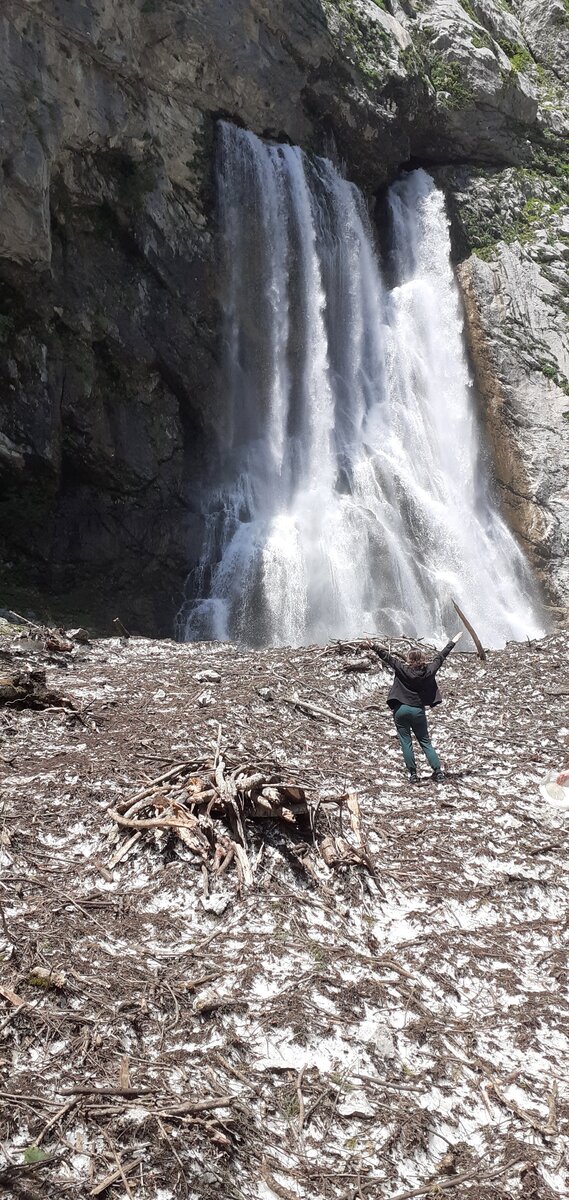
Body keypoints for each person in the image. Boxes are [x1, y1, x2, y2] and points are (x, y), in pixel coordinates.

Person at [369, 633, 462, 784]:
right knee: (425, 741)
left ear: (409, 659)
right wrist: (452, 642)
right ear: (423, 659)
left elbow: (388, 658)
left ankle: (413, 775)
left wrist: (373, 646)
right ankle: (438, 772)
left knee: (406, 742)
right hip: (418, 710)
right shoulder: (429, 670)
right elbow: (441, 657)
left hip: (400, 709)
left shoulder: (403, 669)